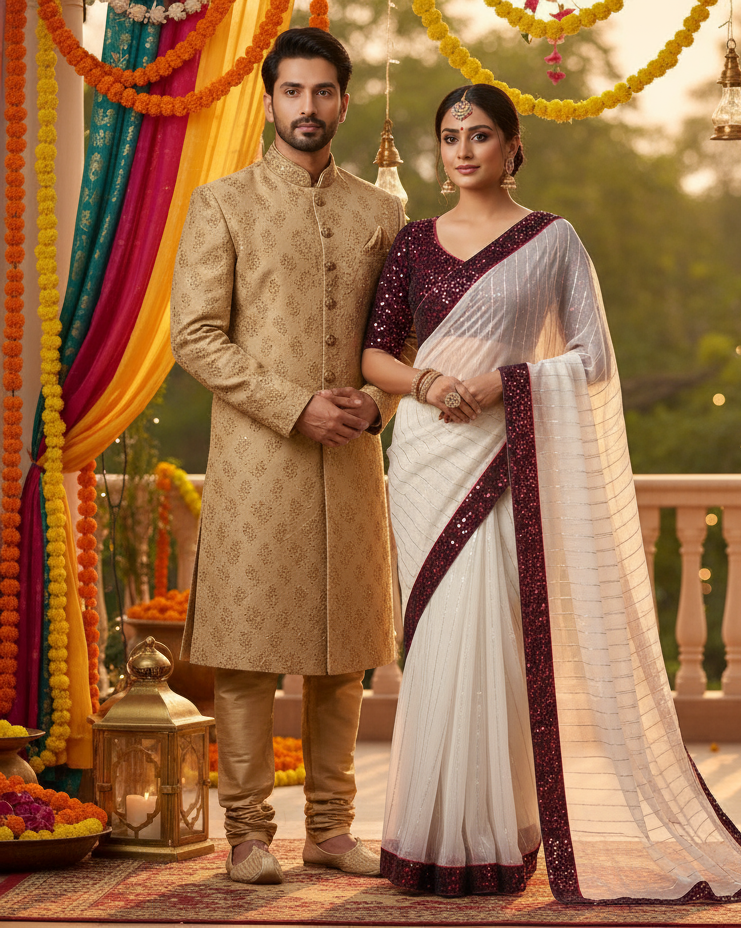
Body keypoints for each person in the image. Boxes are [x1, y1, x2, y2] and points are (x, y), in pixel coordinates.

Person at [361, 84, 741, 904]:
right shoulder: (412, 242)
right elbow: (375, 357)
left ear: (513, 145)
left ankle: (494, 840)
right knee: (437, 642)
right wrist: (430, 385)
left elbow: (591, 358)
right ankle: (427, 839)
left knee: (493, 637)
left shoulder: (552, 238)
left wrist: (504, 384)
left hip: (505, 454)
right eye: (450, 136)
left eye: (481, 135)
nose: (464, 149)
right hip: (429, 456)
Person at [170, 27, 408, 885]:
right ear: (269, 100)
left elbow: (402, 338)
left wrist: (373, 407)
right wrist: (290, 404)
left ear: (344, 100)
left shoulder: (382, 213)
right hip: (255, 461)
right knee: (245, 658)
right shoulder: (222, 203)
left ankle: (333, 831)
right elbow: (194, 335)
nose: (308, 108)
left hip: (349, 460)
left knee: (345, 656)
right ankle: (246, 837)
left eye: (324, 92)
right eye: (293, 92)